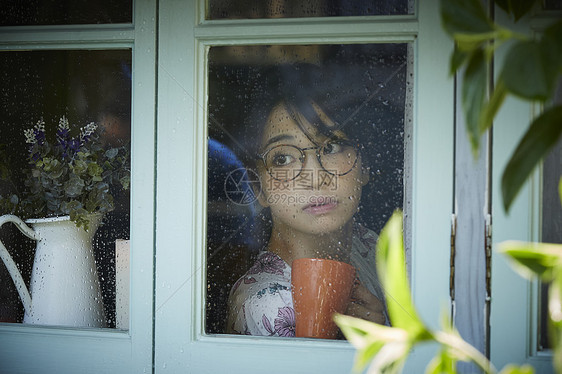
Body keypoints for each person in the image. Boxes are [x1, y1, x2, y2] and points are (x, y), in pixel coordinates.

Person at [225, 63, 389, 337]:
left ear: (365, 165)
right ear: (258, 186)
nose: (315, 176)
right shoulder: (267, 306)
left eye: (332, 146)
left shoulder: (368, 245)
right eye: (283, 158)